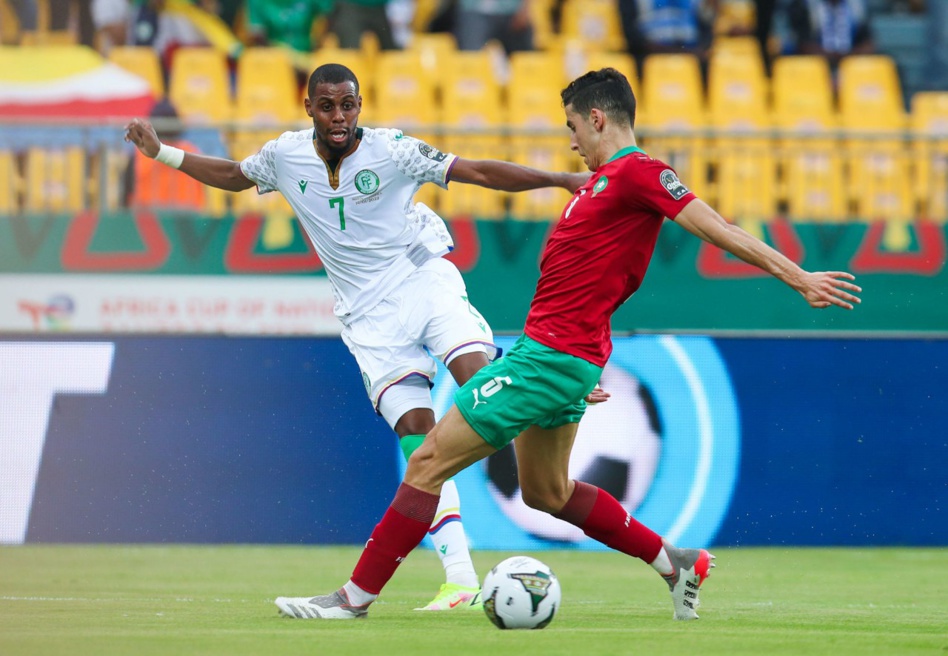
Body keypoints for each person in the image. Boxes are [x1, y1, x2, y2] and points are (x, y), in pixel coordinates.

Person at [274, 67, 863, 622]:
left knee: (426, 460)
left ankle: (352, 599)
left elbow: (721, 230)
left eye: (574, 127)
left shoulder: (638, 173)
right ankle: (678, 564)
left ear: (598, 119)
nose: (573, 141)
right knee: (547, 491)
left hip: (551, 358)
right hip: (561, 358)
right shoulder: (603, 183)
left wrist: (799, 277)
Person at [124, 62, 591, 611]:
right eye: (327, 106)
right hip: (367, 320)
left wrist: (560, 180)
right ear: (309, 108)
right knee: (421, 440)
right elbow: (232, 174)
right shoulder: (284, 156)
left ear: (360, 105)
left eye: (348, 105)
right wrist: (162, 154)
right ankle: (460, 579)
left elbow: (478, 172)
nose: (339, 116)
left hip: (422, 280)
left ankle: (544, 397)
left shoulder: (394, 151)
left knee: (479, 384)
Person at [787, 0, 874, 76]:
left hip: (852, 67)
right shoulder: (804, 5)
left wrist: (847, 57)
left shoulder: (857, 6)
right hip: (814, 69)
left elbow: (868, 44)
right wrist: (832, 57)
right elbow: (802, 44)